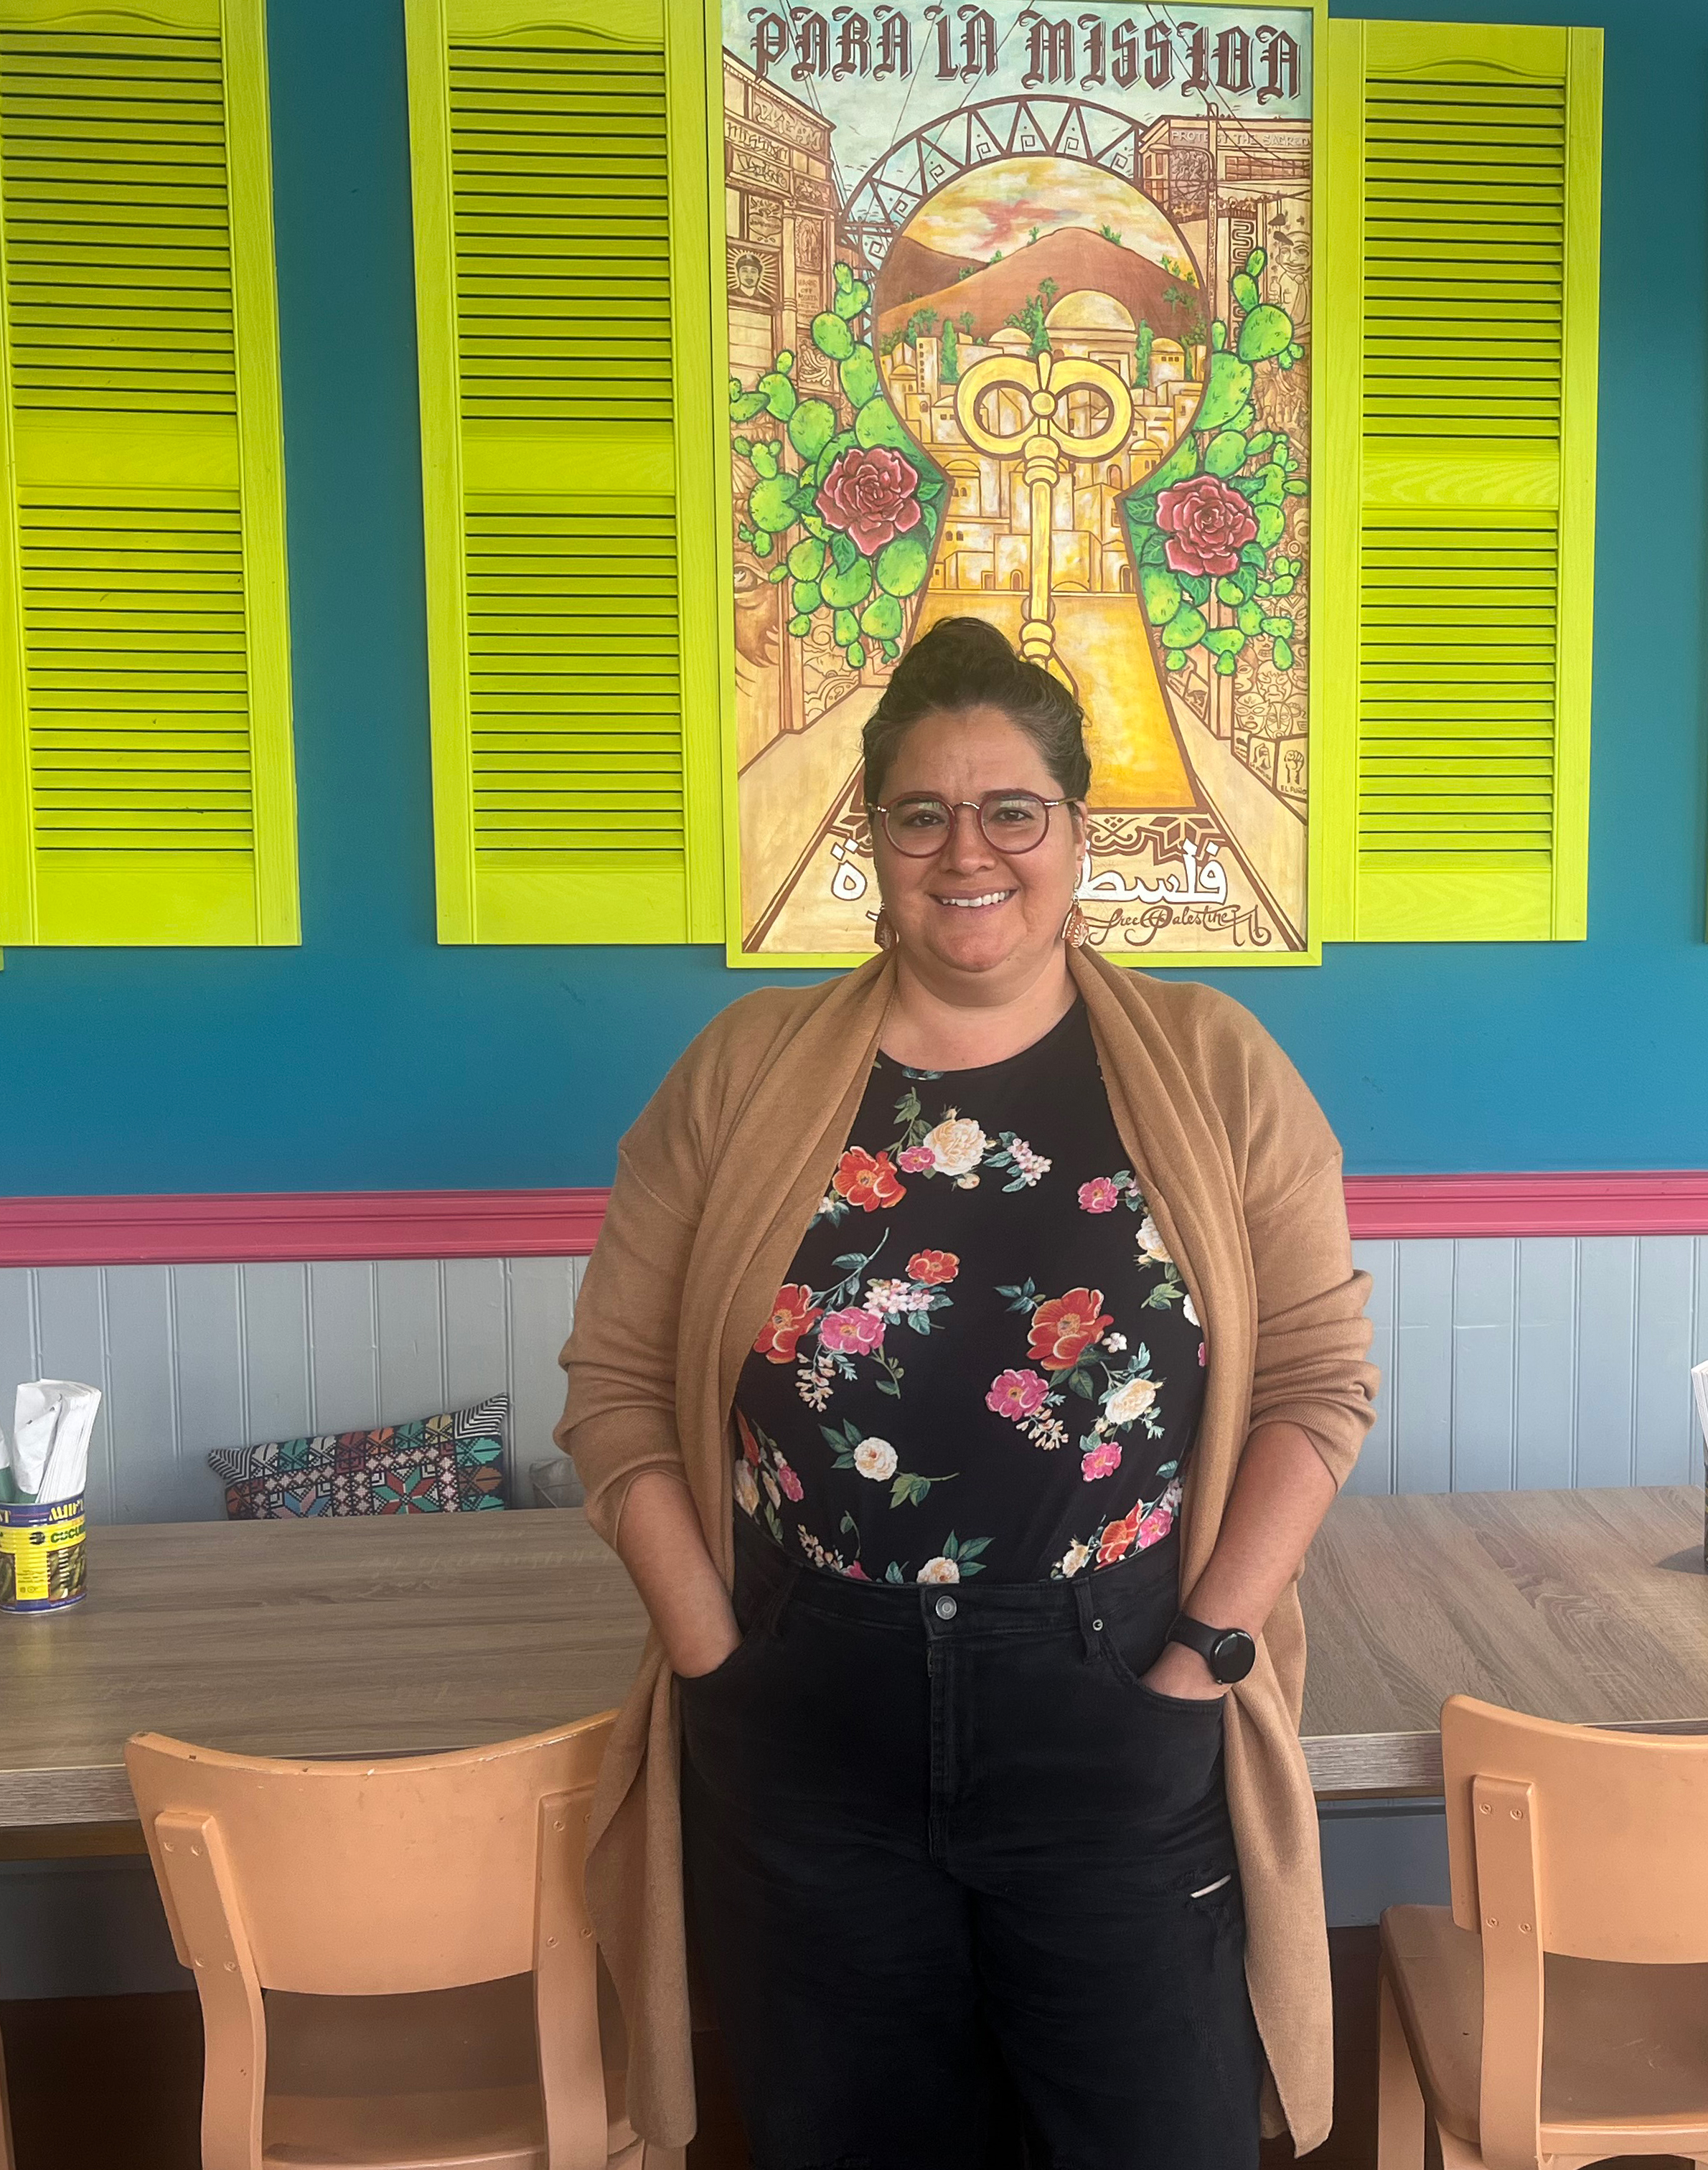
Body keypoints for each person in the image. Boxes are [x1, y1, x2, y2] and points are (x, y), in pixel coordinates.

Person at [557, 615, 1377, 2168]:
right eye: (923, 812)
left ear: (1076, 832)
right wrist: (716, 1661)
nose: (968, 850)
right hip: (807, 1709)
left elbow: (1321, 1386)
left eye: (1014, 810)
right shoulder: (738, 1076)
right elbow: (611, 1391)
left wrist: (1203, 1659)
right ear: (873, 836)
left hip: (1117, 1687)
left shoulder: (1215, 1068)